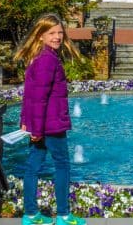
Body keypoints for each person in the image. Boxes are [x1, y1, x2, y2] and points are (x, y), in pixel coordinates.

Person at [15, 13, 86, 225]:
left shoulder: (40, 57)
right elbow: (39, 98)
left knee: (32, 167)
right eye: (52, 33)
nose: (57, 37)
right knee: (62, 165)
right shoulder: (47, 59)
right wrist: (36, 129)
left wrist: (26, 122)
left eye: (60, 33)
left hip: (40, 124)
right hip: (51, 125)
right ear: (40, 36)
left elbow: (29, 95)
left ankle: (30, 215)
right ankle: (64, 215)